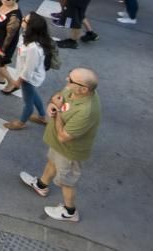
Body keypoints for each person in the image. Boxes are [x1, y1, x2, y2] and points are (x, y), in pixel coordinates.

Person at [19, 67, 102, 223]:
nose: (66, 81)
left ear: (84, 89)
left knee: (66, 182)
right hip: (58, 146)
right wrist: (52, 103)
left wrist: (57, 114)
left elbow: (64, 136)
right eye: (69, 76)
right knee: (52, 163)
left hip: (69, 152)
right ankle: (41, 185)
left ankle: (70, 211)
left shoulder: (86, 111)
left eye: (70, 80)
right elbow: (59, 96)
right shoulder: (75, 89)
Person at [5, 13, 53, 130]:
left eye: (25, 20)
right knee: (33, 95)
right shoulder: (26, 37)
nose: (22, 20)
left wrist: (18, 82)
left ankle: (21, 122)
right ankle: (42, 116)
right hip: (27, 75)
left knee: (28, 103)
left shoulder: (33, 48)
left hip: (28, 78)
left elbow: (29, 69)